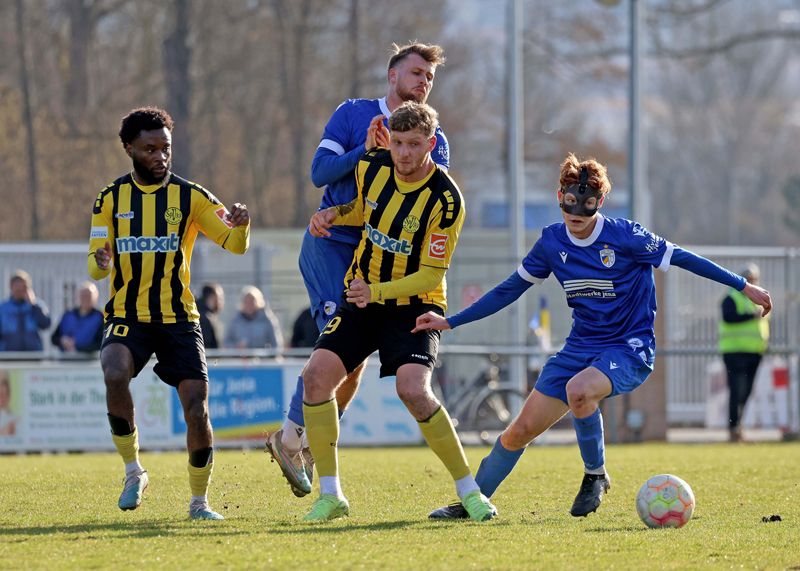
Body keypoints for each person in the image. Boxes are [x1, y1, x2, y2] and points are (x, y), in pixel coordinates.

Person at [414, 153, 772, 520]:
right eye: (570, 201)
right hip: (579, 348)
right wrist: (452, 321)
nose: (577, 212)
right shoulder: (552, 242)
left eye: (587, 204)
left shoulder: (626, 236)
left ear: (599, 203)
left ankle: (595, 475)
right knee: (519, 430)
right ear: (560, 197)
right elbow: (509, 290)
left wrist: (743, 286)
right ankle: (473, 502)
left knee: (579, 390)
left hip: (629, 348)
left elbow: (683, 257)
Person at [267, 41, 450, 499]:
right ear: (392, 76)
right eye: (415, 73)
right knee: (337, 339)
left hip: (379, 262)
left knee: (354, 361)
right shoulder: (352, 114)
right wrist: (364, 151)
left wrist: (389, 156)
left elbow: (425, 198)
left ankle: (304, 439)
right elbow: (319, 173)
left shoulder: (435, 139)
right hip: (332, 242)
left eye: (429, 77)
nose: (423, 82)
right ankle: (291, 438)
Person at [296, 101, 494, 523]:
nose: (403, 153)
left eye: (414, 145)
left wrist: (378, 290)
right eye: (398, 143)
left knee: (413, 390)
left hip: (413, 304)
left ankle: (470, 490)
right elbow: (366, 209)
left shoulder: (446, 198)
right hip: (362, 296)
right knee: (315, 378)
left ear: (431, 143)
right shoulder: (373, 165)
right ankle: (331, 495)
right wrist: (333, 213)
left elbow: (430, 275)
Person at [88, 107, 250, 520]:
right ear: (129, 148)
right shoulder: (110, 199)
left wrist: (242, 225)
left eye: (166, 148)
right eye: (150, 148)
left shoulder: (191, 197)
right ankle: (133, 471)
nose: (160, 156)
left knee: (197, 409)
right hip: (128, 314)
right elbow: (95, 263)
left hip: (179, 318)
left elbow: (234, 243)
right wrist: (103, 262)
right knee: (112, 370)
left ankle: (199, 502)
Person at [719, 263, 769, 442]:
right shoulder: (731, 298)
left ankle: (738, 426)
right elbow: (729, 318)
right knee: (737, 390)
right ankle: (733, 429)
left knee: (746, 391)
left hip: (754, 351)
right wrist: (752, 317)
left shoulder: (757, 299)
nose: (752, 282)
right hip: (734, 351)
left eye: (754, 279)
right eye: (749, 279)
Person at [0, 270, 52, 352]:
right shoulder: (3, 308)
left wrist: (34, 305)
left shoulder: (37, 306)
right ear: (11, 286)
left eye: (23, 286)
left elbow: (45, 324)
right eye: (17, 286)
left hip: (33, 356)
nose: (20, 289)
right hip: (8, 356)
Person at [51, 282, 104, 354]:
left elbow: (100, 343)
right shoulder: (68, 315)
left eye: (88, 295)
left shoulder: (100, 317)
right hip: (66, 361)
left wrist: (77, 348)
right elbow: (54, 338)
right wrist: (62, 340)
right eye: (83, 295)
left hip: (89, 362)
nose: (85, 298)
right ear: (78, 296)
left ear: (95, 297)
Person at [224, 286, 283, 350]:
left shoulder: (268, 320)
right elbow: (226, 342)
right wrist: (236, 347)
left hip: (262, 359)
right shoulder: (235, 321)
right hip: (239, 359)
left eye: (252, 301)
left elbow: (276, 344)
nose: (249, 304)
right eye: (246, 301)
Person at [197, 283, 224, 349]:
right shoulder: (206, 319)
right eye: (218, 298)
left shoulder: (196, 314)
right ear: (210, 297)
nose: (220, 302)